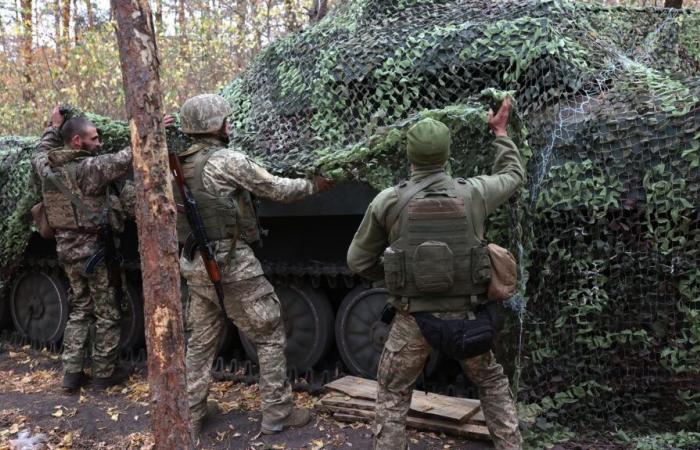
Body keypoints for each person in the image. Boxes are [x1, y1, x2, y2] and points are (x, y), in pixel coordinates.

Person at [346, 97, 524, 450]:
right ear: (446, 156)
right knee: (490, 382)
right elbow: (513, 175)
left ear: (410, 157)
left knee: (394, 391)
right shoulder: (474, 193)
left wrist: (395, 276)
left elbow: (357, 261)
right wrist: (500, 133)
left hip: (413, 318)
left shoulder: (388, 201)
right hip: (468, 317)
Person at [174, 94, 334, 440]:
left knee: (201, 341)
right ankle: (277, 411)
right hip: (230, 262)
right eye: (224, 120)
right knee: (270, 332)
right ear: (215, 125)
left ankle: (192, 412)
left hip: (194, 262)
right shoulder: (228, 161)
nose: (228, 124)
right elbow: (276, 188)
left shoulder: (176, 163)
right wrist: (314, 185)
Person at [32, 106, 142, 392]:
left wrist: (53, 126)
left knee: (80, 310)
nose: (99, 143)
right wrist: (153, 130)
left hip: (66, 252)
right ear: (77, 142)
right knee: (107, 312)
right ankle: (105, 373)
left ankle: (71, 374)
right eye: (94, 139)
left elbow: (40, 150)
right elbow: (128, 157)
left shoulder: (46, 167)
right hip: (96, 253)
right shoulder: (89, 168)